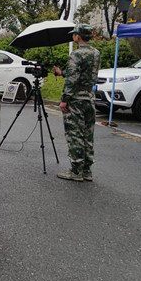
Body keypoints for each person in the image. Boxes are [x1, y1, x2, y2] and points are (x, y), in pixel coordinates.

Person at [52, 23, 101, 182]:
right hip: (89, 96)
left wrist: (64, 100)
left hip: (76, 99)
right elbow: (83, 74)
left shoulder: (76, 55)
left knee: (75, 134)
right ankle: (87, 170)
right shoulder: (96, 53)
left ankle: (76, 170)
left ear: (78, 36)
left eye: (74, 34)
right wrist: (62, 73)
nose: (73, 36)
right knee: (88, 134)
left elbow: (73, 80)